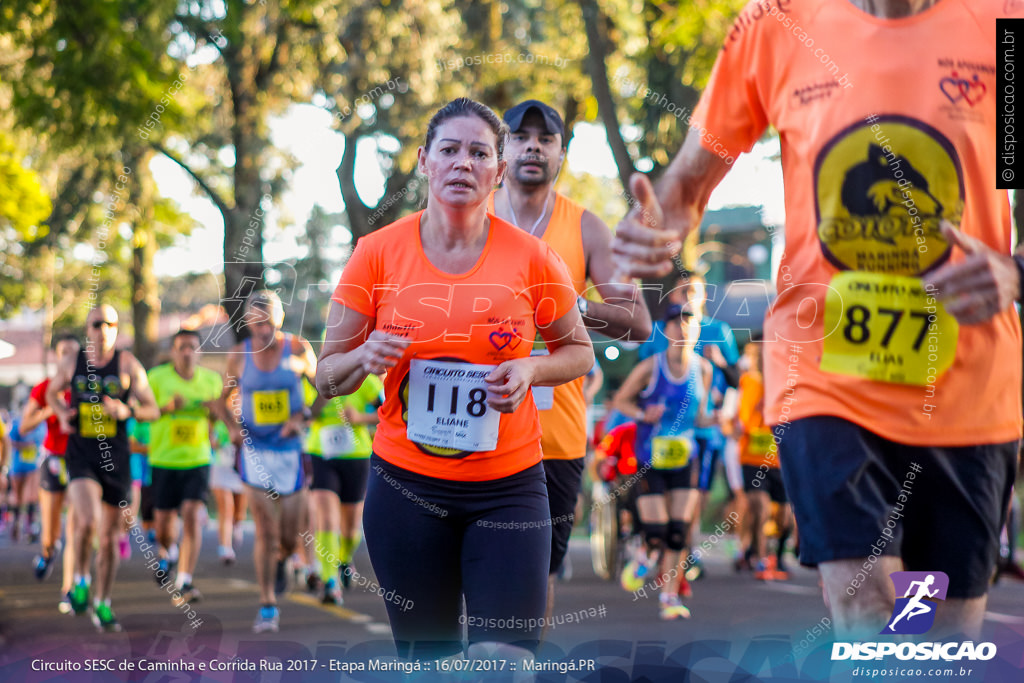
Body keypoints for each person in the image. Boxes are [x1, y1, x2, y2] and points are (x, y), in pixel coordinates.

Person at [611, 0, 1022, 640]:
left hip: (969, 383)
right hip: (826, 375)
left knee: (940, 635)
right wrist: (660, 220)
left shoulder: (1003, 25)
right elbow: (688, 185)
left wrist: (1015, 270)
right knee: (867, 607)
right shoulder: (775, 25)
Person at [317, 97, 593, 660]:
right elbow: (326, 376)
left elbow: (579, 352)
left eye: (478, 153)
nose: (462, 163)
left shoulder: (534, 258)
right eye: (449, 150)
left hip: (509, 488)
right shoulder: (375, 254)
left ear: (498, 169)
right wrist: (364, 354)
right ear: (424, 161)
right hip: (406, 488)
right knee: (428, 663)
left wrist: (532, 366)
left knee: (506, 661)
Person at [491, 98, 651, 611]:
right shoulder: (474, 214)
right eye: (520, 136)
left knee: (537, 575)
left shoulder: (585, 228)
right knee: (472, 567)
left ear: (562, 152)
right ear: (503, 148)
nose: (532, 145)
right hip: (476, 424)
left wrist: (571, 305)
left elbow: (639, 323)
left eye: (546, 138)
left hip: (556, 437)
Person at [47, 304, 160, 632]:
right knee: (86, 521)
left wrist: (127, 411)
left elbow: (152, 408)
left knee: (110, 540)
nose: (103, 329)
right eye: (97, 323)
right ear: (88, 328)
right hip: (81, 455)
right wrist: (62, 414)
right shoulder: (73, 361)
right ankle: (80, 579)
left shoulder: (126, 364)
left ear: (117, 328)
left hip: (117, 459)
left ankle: (103, 602)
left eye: (110, 323)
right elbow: (53, 393)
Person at [218, 289, 317, 634]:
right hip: (254, 450)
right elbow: (221, 399)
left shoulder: (299, 349)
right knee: (266, 529)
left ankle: (283, 559)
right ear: (247, 322)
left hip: (290, 452)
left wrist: (302, 416)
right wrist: (232, 427)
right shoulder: (239, 355)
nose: (263, 330)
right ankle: (267, 605)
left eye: (269, 322)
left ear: (280, 319)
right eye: (257, 323)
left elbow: (323, 391)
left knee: (289, 536)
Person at [614, 303, 713, 619]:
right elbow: (620, 401)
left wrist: (722, 421)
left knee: (677, 532)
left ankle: (669, 598)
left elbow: (700, 416)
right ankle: (645, 551)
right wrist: (643, 413)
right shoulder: (650, 367)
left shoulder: (704, 369)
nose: (682, 329)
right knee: (657, 531)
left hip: (685, 457)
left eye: (688, 323)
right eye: (675, 323)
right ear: (665, 331)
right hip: (650, 458)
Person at [147, 329, 223, 605]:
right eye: (182, 347)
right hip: (164, 459)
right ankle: (167, 552)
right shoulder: (156, 378)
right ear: (173, 352)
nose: (187, 352)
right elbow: (143, 412)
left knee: (192, 514)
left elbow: (216, 419)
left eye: (192, 347)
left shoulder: (212, 381)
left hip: (198, 458)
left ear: (200, 351)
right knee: (165, 528)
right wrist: (167, 407)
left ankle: (185, 580)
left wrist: (215, 416)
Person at [303, 374, 382, 605]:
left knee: (350, 528)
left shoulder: (366, 381)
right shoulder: (314, 383)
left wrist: (361, 417)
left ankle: (344, 559)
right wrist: (324, 392)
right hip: (322, 455)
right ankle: (330, 582)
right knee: (326, 520)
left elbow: (388, 413)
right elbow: (308, 415)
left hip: (356, 457)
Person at [21, 334, 80, 605]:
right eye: (64, 352)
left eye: (74, 352)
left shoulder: (87, 386)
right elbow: (23, 427)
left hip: (81, 460)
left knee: (77, 526)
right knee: (51, 531)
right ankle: (47, 552)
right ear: (57, 355)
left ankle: (69, 589)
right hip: (54, 460)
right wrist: (49, 411)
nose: (69, 357)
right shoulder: (44, 388)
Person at [735, 338, 792, 580]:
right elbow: (740, 418)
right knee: (760, 510)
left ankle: (777, 556)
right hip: (752, 458)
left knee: (785, 518)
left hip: (779, 461)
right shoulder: (748, 382)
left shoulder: (786, 383)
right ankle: (760, 560)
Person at [209, 414, 246, 564]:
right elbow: (211, 441)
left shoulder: (246, 418)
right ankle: (225, 547)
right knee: (226, 508)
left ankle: (237, 524)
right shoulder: (218, 419)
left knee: (239, 512)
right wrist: (220, 440)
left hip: (240, 468)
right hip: (220, 467)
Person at [5, 413, 44, 543]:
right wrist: (26, 445)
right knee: (20, 495)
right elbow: (9, 441)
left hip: (31, 465)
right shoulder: (18, 423)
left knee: (28, 495)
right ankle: (22, 523)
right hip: (19, 464)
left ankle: (27, 525)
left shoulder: (39, 424)